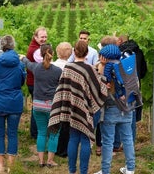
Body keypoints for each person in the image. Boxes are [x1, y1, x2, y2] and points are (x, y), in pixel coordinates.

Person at [48, 40, 108, 174]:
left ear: (74, 52)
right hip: (89, 110)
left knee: (73, 138)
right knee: (86, 139)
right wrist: (103, 68)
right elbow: (100, 88)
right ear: (87, 53)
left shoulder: (68, 68)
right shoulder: (90, 69)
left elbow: (62, 89)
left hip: (72, 109)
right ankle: (83, 171)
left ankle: (71, 170)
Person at [94, 44, 136, 174]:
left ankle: (105, 170)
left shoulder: (107, 69)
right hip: (127, 106)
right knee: (128, 138)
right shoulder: (126, 64)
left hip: (111, 108)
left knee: (107, 141)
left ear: (104, 57)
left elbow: (101, 89)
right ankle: (130, 168)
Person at [0, 35, 26, 172]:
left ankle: (1, 165)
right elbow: (22, 82)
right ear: (13, 46)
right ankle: (11, 165)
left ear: (2, 47)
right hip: (14, 101)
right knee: (13, 133)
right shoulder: (20, 64)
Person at [20, 44, 62, 167]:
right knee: (54, 133)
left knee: (41, 132)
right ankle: (50, 160)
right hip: (52, 106)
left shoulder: (36, 68)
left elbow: (27, 63)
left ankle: (41, 161)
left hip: (38, 105)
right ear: (52, 54)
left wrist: (22, 57)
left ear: (40, 54)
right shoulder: (58, 71)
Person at [113, 35, 148, 152]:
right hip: (135, 87)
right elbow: (143, 71)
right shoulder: (139, 51)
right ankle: (130, 143)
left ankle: (117, 143)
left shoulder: (120, 52)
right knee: (131, 115)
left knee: (119, 113)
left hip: (123, 88)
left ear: (120, 41)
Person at [51, 41, 72, 158]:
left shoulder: (52, 65)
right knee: (65, 125)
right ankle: (63, 150)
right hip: (66, 99)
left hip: (53, 97)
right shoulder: (71, 67)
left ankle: (52, 148)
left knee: (54, 123)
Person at [26, 26, 48, 139]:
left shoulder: (36, 47)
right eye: (41, 37)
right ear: (35, 37)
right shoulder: (37, 51)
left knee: (36, 107)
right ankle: (35, 133)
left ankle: (36, 132)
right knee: (37, 109)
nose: (44, 39)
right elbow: (45, 66)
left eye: (45, 37)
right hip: (34, 83)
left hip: (32, 82)